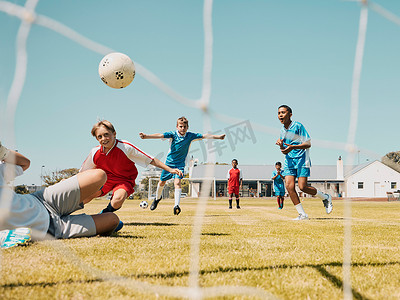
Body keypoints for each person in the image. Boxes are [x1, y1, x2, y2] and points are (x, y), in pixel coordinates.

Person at [0, 141, 119, 248]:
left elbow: (24, 163)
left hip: (43, 200)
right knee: (113, 220)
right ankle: (91, 215)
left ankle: (83, 199)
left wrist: (2, 151)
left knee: (99, 176)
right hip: (52, 230)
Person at [80, 120, 183, 230]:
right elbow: (82, 173)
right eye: (100, 136)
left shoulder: (126, 147)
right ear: (97, 139)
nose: (104, 139)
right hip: (105, 179)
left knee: (117, 199)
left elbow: (150, 159)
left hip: (124, 180)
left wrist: (170, 169)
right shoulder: (95, 152)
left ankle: (102, 216)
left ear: (114, 134)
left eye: (106, 134)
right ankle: (65, 214)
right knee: (86, 195)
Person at [139, 116, 225, 215]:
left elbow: (205, 136)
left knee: (177, 183)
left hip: (180, 164)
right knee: (162, 183)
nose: (183, 128)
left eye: (184, 127)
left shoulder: (190, 136)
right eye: (181, 126)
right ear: (177, 126)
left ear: (187, 127)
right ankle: (157, 198)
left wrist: (219, 137)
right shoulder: (172, 134)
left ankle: (176, 206)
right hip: (169, 164)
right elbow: (160, 135)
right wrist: (146, 136)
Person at [276, 105, 333, 220]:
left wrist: (293, 147)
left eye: (283, 112)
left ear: (290, 115)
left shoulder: (298, 126)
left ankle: (325, 197)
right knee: (289, 186)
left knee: (302, 187)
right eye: (278, 113)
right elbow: (284, 151)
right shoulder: (282, 130)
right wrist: (281, 145)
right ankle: (302, 214)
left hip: (302, 159)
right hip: (289, 161)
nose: (280, 115)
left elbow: (308, 143)